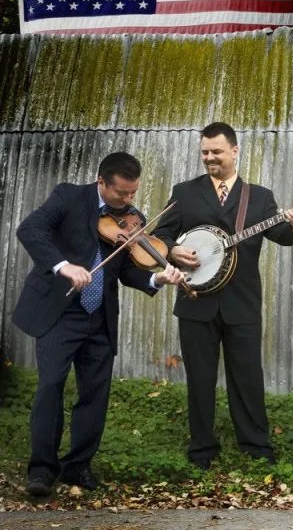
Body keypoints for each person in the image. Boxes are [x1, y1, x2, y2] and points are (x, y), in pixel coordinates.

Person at [13, 152, 185, 497]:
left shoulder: (131, 221)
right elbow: (29, 230)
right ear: (101, 182)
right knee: (50, 386)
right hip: (60, 311)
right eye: (121, 193)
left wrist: (157, 280)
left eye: (133, 193)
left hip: (99, 317)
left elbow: (127, 270)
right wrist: (64, 266)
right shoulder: (68, 196)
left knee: (95, 394)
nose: (128, 201)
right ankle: (42, 470)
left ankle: (77, 467)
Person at [153, 122, 293, 470]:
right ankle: (202, 449)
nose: (209, 158)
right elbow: (159, 236)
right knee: (200, 378)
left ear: (234, 151)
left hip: (242, 303)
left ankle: (255, 445)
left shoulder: (260, 196)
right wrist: (174, 250)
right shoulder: (184, 192)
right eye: (205, 152)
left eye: (216, 152)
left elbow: (283, 234)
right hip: (196, 302)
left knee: (248, 375)